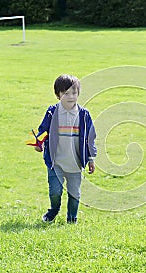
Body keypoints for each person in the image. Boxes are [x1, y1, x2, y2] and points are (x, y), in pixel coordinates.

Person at [34, 74, 97, 224]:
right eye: (66, 93)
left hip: (75, 163)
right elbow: (43, 130)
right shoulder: (52, 112)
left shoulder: (83, 115)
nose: (71, 96)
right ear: (58, 95)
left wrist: (91, 158)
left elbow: (90, 138)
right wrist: (39, 143)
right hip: (56, 162)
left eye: (74, 93)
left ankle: (72, 219)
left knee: (74, 194)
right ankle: (53, 211)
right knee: (55, 191)